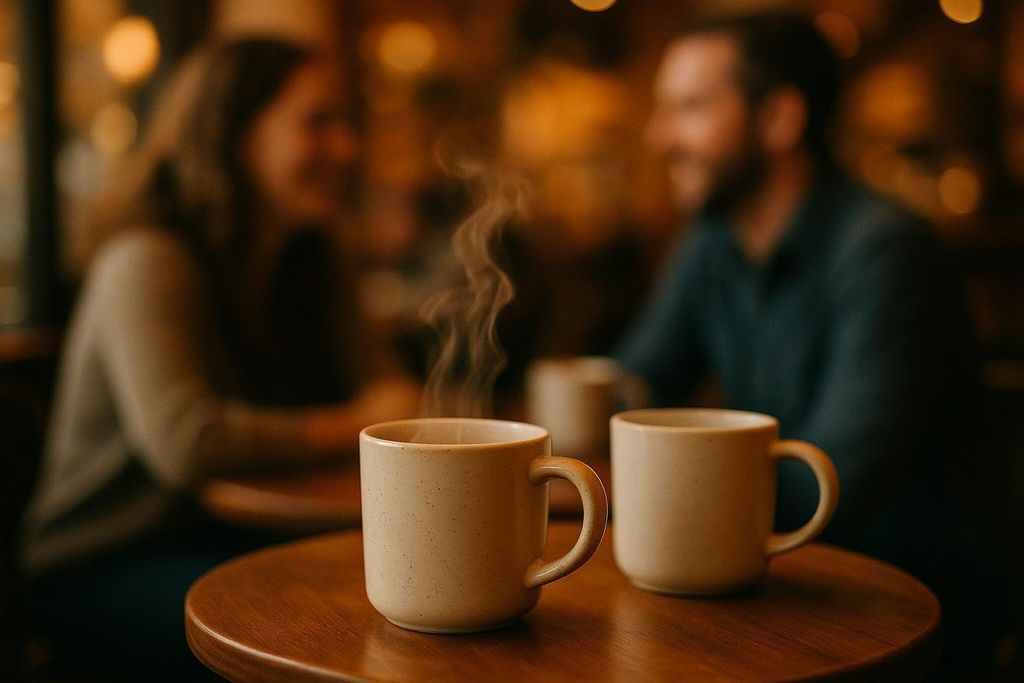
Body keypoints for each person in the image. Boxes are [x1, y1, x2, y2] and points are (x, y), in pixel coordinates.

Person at [20, 38, 419, 679]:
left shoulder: (315, 256)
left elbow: (392, 392)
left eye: (344, 124)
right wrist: (354, 420)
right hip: (107, 564)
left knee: (401, 614)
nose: (346, 148)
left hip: (229, 541)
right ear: (234, 133)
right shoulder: (148, 258)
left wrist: (377, 407)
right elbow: (190, 442)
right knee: (335, 630)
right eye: (317, 123)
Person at [616, 13, 1003, 671]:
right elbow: (640, 379)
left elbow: (828, 487)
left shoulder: (885, 251)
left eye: (688, 107)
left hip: (902, 612)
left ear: (779, 119)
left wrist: (641, 496)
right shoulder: (714, 241)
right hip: (772, 582)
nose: (659, 137)